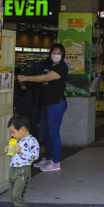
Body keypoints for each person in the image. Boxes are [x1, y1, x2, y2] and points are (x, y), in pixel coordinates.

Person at [16, 43, 68, 172]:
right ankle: (48, 158)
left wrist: (25, 78)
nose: (55, 55)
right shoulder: (47, 65)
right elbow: (39, 73)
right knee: (44, 132)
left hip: (56, 104)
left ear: (62, 55)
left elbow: (46, 77)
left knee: (53, 132)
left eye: (58, 53)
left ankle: (56, 162)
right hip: (45, 104)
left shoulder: (62, 67)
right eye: (53, 52)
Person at [6, 114, 39, 207]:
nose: (12, 135)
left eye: (13, 132)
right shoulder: (17, 140)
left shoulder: (32, 141)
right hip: (13, 169)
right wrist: (9, 150)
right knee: (13, 196)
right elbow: (14, 154)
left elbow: (35, 156)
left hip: (23, 171)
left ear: (22, 129)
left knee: (16, 195)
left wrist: (21, 151)